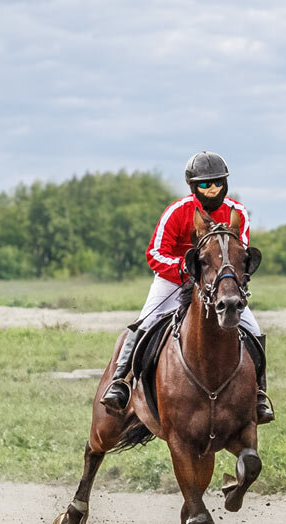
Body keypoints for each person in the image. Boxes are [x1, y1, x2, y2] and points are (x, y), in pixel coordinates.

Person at [99, 151, 274, 423]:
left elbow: (238, 252)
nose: (212, 188)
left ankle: (259, 395)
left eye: (217, 182)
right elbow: (155, 253)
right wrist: (185, 268)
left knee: (253, 328)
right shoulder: (177, 212)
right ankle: (120, 383)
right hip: (174, 279)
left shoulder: (237, 212)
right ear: (193, 186)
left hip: (216, 283)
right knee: (147, 320)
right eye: (205, 184)